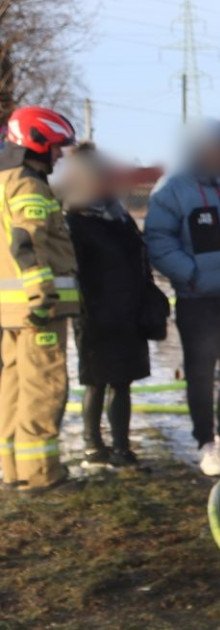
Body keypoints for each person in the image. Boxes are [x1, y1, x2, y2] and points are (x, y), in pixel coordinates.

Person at [144, 120, 220, 476]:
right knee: (199, 373)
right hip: (197, 301)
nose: (216, 157)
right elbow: (159, 241)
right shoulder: (173, 189)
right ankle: (205, 443)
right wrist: (191, 274)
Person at [55, 143, 153, 469]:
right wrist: (87, 309)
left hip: (128, 313)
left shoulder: (118, 215)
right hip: (96, 316)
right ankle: (92, 447)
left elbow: (138, 255)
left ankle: (122, 449)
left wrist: (147, 293)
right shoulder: (74, 221)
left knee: (122, 382)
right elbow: (72, 270)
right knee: (96, 382)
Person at [0, 106, 81, 493]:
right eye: (56, 147)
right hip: (38, 310)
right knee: (43, 387)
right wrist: (41, 298)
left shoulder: (5, 180)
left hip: (11, 310)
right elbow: (27, 243)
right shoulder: (29, 186)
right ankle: (41, 475)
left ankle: (14, 469)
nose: (60, 155)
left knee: (14, 388)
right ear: (38, 142)